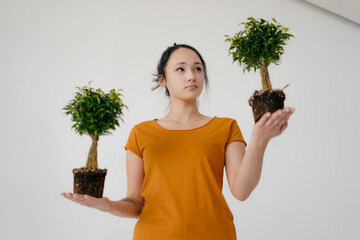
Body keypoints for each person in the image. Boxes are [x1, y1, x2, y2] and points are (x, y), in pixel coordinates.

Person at [61, 43, 295, 239]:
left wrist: (259, 141)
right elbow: (135, 202)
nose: (191, 76)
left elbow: (241, 191)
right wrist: (108, 205)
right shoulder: (141, 133)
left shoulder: (226, 127)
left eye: (198, 69)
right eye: (180, 69)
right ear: (162, 80)